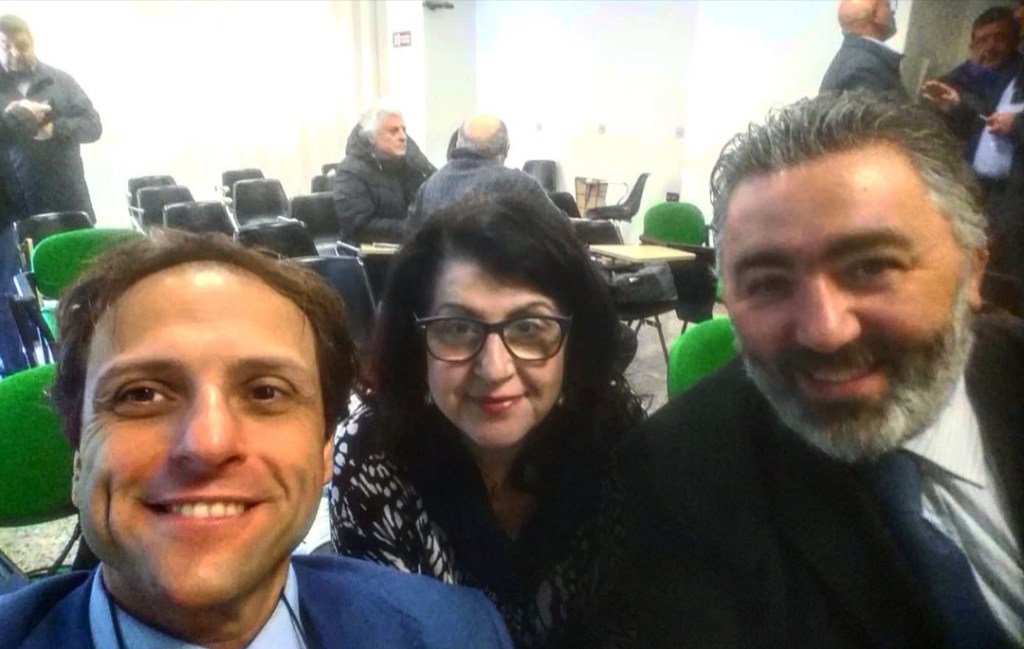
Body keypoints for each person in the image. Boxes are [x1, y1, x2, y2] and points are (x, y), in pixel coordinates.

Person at [611, 92, 1023, 648]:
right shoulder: (678, 478)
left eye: (871, 267)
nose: (825, 331)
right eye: (768, 283)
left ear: (974, 269)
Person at [0, 231, 513, 648]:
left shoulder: (455, 632)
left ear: (325, 451)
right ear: (78, 458)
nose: (208, 443)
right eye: (142, 395)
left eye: (266, 392)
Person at [329, 194, 646, 648]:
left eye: (529, 327)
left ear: (573, 341)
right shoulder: (372, 454)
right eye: (458, 328)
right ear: (416, 343)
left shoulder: (613, 436)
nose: (494, 369)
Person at [0, 14, 101, 377]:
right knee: (19, 296)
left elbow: (93, 126)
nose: (15, 53)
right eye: (6, 46)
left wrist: (55, 128)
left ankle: (90, 359)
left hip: (68, 199)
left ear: (33, 40)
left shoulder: (60, 80)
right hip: (18, 209)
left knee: (84, 284)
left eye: (21, 44)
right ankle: (30, 371)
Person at [923, 7, 1024, 287]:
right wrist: (951, 102)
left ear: (1015, 39)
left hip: (1013, 195)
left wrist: (1017, 125)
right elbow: (967, 108)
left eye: (999, 38)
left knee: (1002, 269)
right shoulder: (973, 73)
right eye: (983, 40)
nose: (990, 47)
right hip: (975, 187)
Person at [408, 114, 555, 227]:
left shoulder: (429, 187)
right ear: (506, 148)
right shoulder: (521, 185)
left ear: (458, 143)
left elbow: (410, 238)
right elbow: (560, 229)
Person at [332, 103, 435, 244]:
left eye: (403, 130)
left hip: (412, 245)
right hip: (369, 251)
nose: (403, 137)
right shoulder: (350, 172)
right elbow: (360, 226)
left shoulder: (413, 164)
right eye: (393, 131)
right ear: (371, 136)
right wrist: (412, 228)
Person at [819, 0, 905, 96]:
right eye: (887, 5)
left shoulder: (853, 61)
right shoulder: (865, 70)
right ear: (874, 15)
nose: (893, 11)